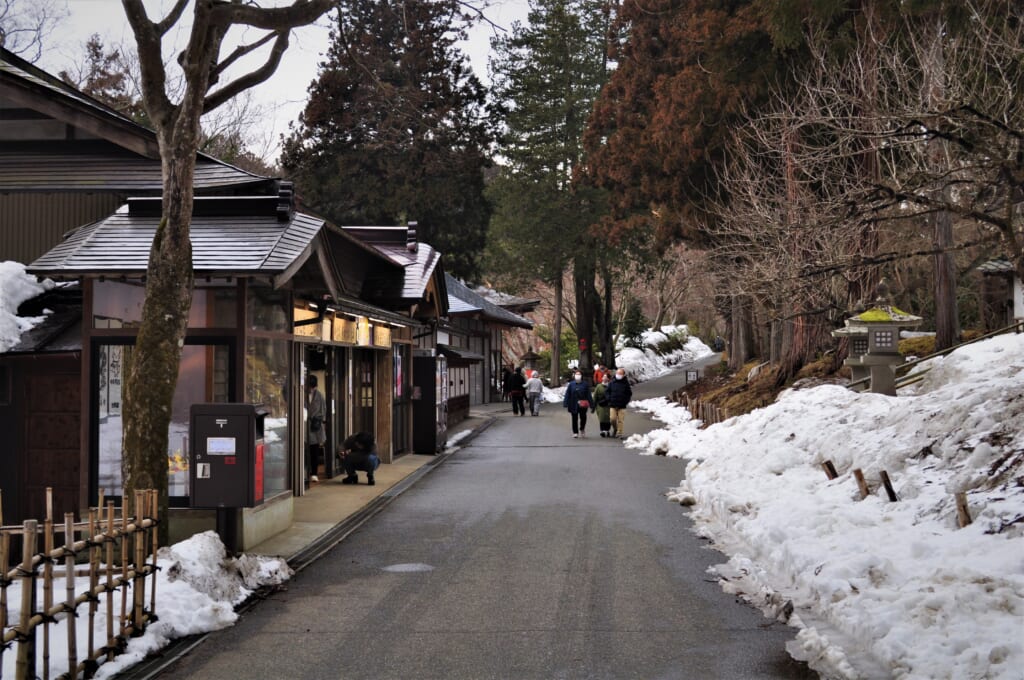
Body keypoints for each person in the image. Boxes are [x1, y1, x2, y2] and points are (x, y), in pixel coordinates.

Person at [306, 374, 326, 484]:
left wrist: (318, 419)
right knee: (304, 450)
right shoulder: (301, 393)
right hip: (303, 426)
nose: (311, 389)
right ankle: (305, 471)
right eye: (309, 387)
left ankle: (314, 473)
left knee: (314, 451)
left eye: (313, 387)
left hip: (314, 427)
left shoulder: (319, 396)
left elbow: (323, 411)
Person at [562, 370, 593, 438]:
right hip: (573, 403)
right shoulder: (571, 384)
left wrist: (591, 404)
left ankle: (582, 429)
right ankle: (575, 432)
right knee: (574, 418)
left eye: (579, 374)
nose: (577, 375)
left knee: (583, 417)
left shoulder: (585, 384)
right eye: (576, 374)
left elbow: (588, 395)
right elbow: (568, 394)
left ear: (581, 376)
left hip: (583, 404)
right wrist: (565, 402)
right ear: (574, 375)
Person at [606, 368, 633, 439]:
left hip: (622, 405)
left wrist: (625, 401)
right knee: (612, 419)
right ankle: (615, 428)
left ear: (623, 375)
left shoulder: (626, 383)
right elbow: (607, 392)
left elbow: (629, 394)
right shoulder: (612, 382)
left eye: (620, 374)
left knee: (620, 420)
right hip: (613, 404)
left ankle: (619, 433)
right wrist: (609, 399)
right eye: (617, 373)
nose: (618, 375)